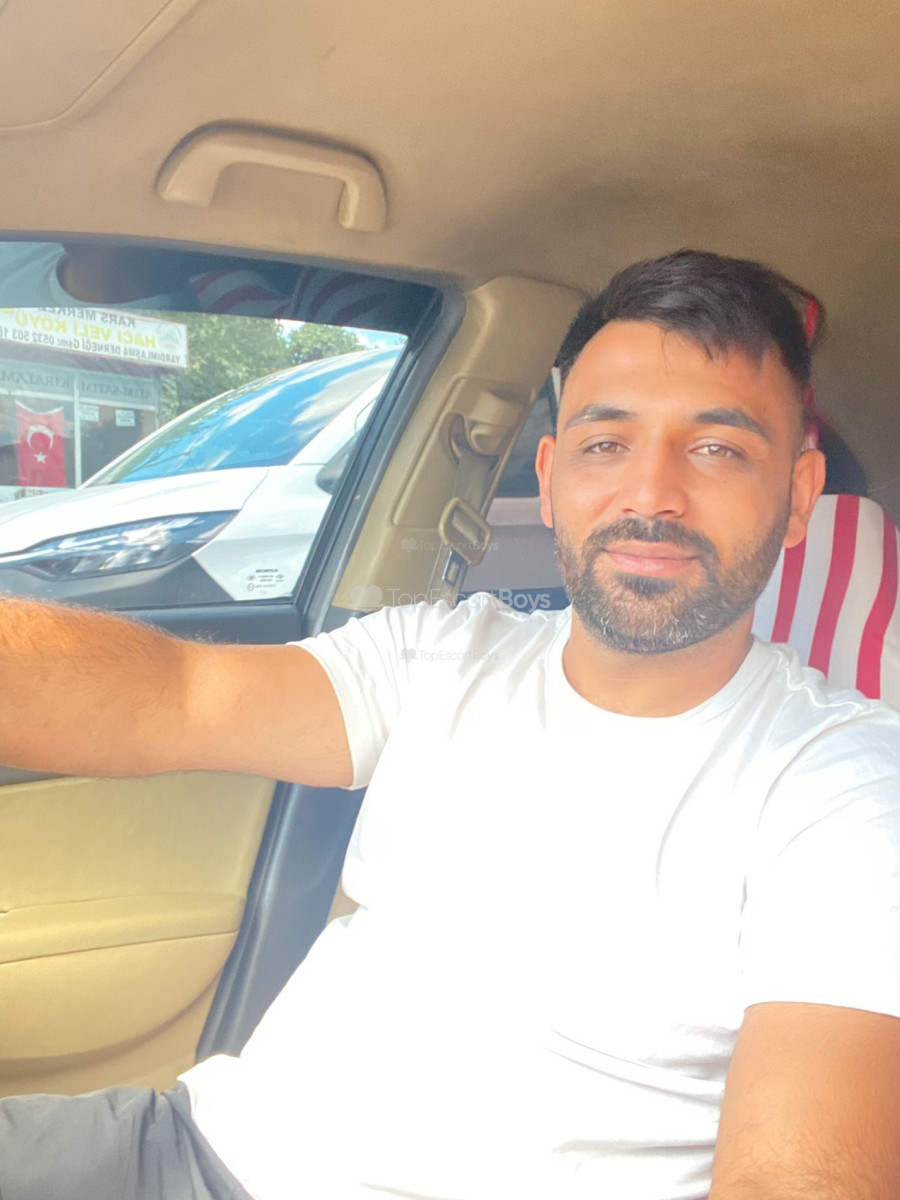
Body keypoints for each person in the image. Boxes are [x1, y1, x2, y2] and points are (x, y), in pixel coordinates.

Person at [0, 250, 898, 1200]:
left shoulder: (846, 787)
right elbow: (176, 695)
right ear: (550, 477)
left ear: (798, 497)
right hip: (181, 1148)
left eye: (717, 449)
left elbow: (799, 1178)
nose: (649, 495)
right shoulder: (443, 652)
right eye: (605, 443)